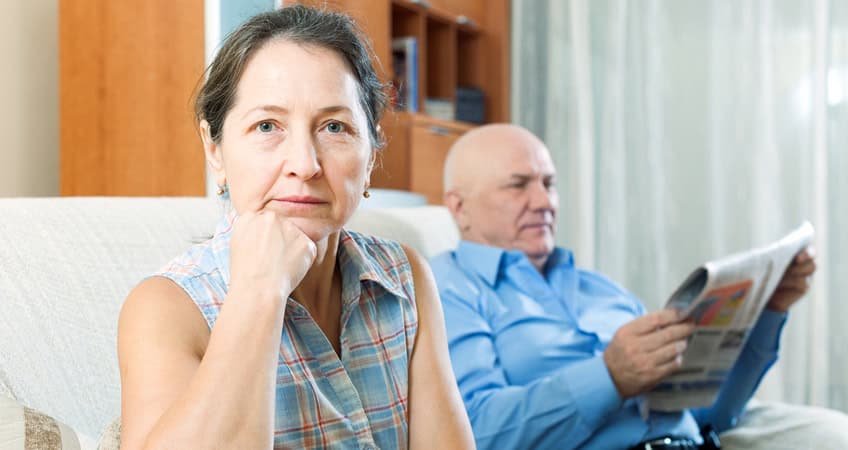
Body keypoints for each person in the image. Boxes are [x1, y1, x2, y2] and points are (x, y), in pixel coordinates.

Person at [117, 5, 474, 449]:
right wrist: (259, 292)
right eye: (267, 125)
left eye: (334, 127)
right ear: (215, 151)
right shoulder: (167, 308)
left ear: (371, 158)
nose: (305, 165)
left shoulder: (406, 278)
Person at [430, 123, 848, 450]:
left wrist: (770, 311)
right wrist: (609, 377)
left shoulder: (600, 288)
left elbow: (711, 414)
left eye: (550, 184)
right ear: (459, 206)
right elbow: (474, 435)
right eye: (518, 185)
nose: (544, 202)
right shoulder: (448, 288)